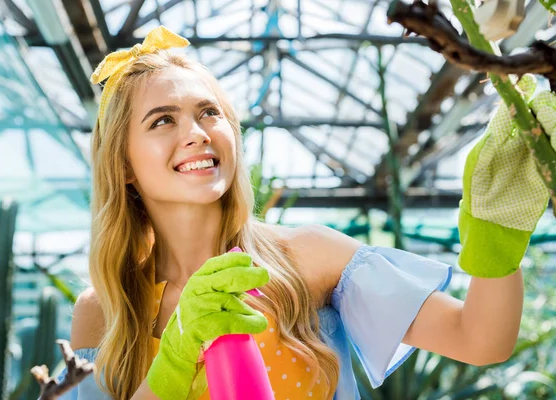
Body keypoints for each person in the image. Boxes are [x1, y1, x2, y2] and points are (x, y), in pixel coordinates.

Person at [56, 26, 556, 399]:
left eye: (209, 112)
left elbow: (480, 339)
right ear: (123, 165)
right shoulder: (106, 308)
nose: (197, 132)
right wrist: (176, 353)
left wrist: (494, 232)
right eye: (163, 120)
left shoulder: (307, 258)